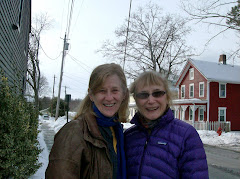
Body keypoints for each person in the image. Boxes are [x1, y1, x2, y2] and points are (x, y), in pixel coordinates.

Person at [46, 63, 129, 179]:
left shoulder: (116, 131)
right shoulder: (73, 133)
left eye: (115, 90)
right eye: (102, 91)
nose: (109, 97)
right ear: (91, 94)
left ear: (124, 94)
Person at [124, 71, 209, 179]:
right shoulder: (128, 136)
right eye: (143, 95)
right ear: (136, 99)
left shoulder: (186, 135)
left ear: (167, 97)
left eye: (157, 93)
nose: (151, 100)